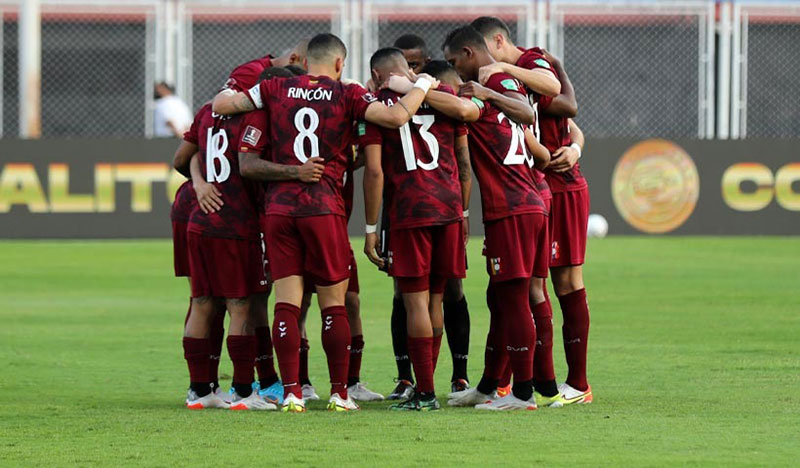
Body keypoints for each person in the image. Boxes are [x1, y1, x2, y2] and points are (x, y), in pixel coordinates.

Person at [213, 32, 439, 412]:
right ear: (339, 64)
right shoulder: (346, 93)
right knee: (334, 302)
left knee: (286, 302)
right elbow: (398, 115)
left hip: (280, 210)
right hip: (323, 207)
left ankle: (291, 393)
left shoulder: (273, 87)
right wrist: (422, 83)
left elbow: (224, 103)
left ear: (306, 59)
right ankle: (340, 393)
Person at [472, 16, 592, 405]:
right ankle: (507, 383)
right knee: (513, 289)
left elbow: (564, 99)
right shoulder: (507, 85)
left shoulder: (529, 65)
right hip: (534, 187)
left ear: (498, 42)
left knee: (561, 284)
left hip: (557, 186)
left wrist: (573, 149)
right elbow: (570, 119)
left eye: (483, 53)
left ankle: (576, 385)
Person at [441, 25, 551, 411]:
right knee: (499, 297)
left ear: (469, 52)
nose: (457, 71)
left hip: (513, 208)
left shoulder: (493, 83)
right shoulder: (503, 84)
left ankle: (523, 392)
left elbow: (519, 112)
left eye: (455, 62)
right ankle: (489, 385)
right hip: (526, 202)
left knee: (513, 298)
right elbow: (524, 119)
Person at [362, 48, 473, 410]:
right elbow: (463, 160)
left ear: (378, 76)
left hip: (410, 210)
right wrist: (463, 209)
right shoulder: (446, 98)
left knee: (414, 301)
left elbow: (375, 171)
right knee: (437, 298)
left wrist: (371, 227)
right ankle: (430, 387)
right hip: (448, 207)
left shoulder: (379, 105)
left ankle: (423, 392)